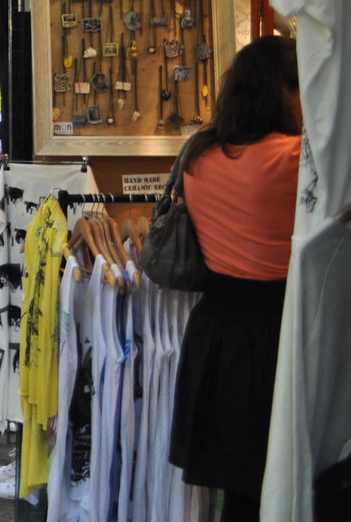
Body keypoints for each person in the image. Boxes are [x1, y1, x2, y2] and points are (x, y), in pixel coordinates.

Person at [169, 35, 301, 522]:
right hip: (280, 331)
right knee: (284, 483)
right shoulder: (295, 158)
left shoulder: (200, 157)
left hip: (218, 332)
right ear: (284, 92)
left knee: (240, 494)